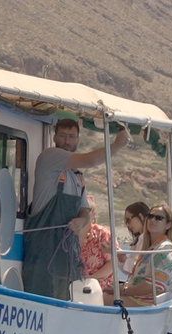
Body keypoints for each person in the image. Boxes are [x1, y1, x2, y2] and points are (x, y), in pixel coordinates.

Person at [22, 118, 129, 300]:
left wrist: (81, 220)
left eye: (72, 137)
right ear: (54, 137)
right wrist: (117, 145)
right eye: (63, 136)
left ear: (78, 139)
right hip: (42, 252)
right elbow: (92, 160)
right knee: (42, 297)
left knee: (65, 298)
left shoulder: (77, 176)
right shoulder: (50, 156)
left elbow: (85, 211)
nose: (67, 141)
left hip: (66, 256)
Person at [103, 204, 172, 306]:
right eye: (150, 216)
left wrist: (123, 291)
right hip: (138, 296)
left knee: (99, 298)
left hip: (146, 301)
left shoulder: (165, 249)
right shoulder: (151, 247)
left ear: (168, 225)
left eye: (159, 218)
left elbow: (153, 285)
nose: (152, 220)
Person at [79, 195, 120, 289]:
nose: (82, 214)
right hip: (74, 287)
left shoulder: (102, 234)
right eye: (80, 211)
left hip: (101, 287)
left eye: (87, 211)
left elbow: (113, 263)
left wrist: (90, 279)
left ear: (93, 214)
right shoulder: (67, 236)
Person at [105, 201, 150, 281]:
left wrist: (124, 258)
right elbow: (129, 270)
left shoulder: (145, 239)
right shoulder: (140, 239)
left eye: (128, 220)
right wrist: (118, 256)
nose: (127, 225)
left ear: (141, 216)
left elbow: (139, 268)